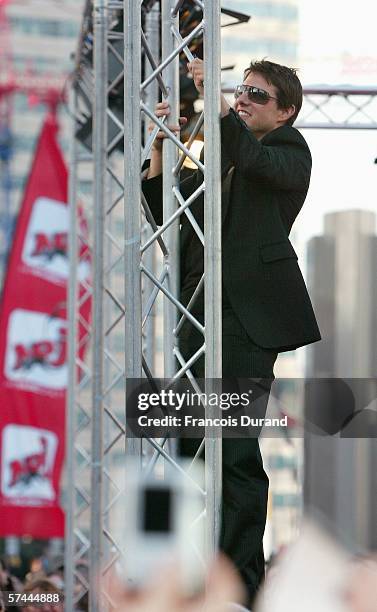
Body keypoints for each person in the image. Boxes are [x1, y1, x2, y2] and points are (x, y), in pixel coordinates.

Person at [142, 58, 321, 608]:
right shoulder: (222, 160)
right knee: (187, 443)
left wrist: (215, 104)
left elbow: (251, 155)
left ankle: (240, 584)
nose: (243, 99)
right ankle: (187, 575)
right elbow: (168, 211)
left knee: (234, 451)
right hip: (196, 316)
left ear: (285, 111)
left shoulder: (289, 152)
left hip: (245, 322)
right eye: (239, 91)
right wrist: (158, 149)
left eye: (255, 95)